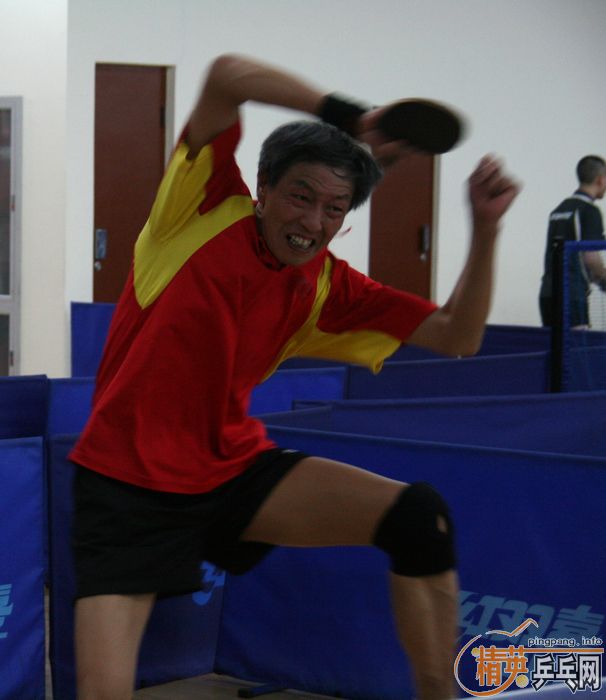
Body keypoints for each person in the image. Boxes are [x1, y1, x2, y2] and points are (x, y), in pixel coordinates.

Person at [69, 54, 519, 700]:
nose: (312, 222)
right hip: (125, 484)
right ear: (264, 188)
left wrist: (487, 231)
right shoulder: (199, 208)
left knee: (419, 518)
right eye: (301, 197)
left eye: (334, 209)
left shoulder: (329, 287)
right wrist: (350, 117)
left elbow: (458, 336)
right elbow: (227, 75)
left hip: (229, 471)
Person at [539, 155, 606, 328]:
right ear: (600, 180)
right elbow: (591, 258)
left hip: (547, 294)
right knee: (575, 346)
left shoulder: (558, 210)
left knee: (554, 344)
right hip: (572, 295)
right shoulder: (590, 211)